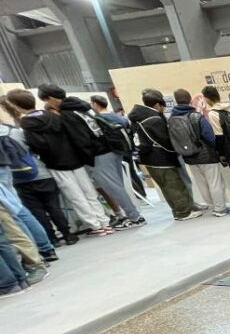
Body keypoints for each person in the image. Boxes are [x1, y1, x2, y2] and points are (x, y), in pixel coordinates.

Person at [21, 84, 110, 237]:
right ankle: (104, 222)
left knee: (76, 197)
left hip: (56, 164)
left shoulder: (28, 124)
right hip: (76, 159)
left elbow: (37, 145)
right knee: (89, 192)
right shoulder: (60, 116)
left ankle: (95, 226)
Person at [61, 91, 145, 230]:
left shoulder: (68, 115)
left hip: (99, 154)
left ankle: (135, 217)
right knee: (117, 186)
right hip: (112, 149)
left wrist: (88, 158)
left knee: (114, 188)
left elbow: (82, 140)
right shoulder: (86, 110)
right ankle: (132, 215)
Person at [2, 91, 76, 245]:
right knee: (53, 205)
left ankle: (52, 239)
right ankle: (67, 234)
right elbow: (34, 147)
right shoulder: (16, 132)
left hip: (18, 178)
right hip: (40, 172)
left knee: (36, 210)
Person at [128, 90, 201, 221]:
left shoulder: (138, 117)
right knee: (174, 186)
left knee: (165, 188)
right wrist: (176, 149)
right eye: (162, 106)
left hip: (149, 159)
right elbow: (165, 141)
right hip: (162, 158)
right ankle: (184, 212)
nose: (164, 109)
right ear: (157, 105)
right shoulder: (154, 120)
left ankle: (177, 211)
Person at [167, 89, 230, 217]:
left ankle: (212, 206)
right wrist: (217, 150)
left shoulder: (172, 119)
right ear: (189, 100)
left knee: (202, 184)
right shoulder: (196, 116)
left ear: (176, 100)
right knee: (214, 182)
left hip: (188, 157)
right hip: (206, 156)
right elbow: (210, 137)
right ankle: (220, 209)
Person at [92, 93, 145, 199]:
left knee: (121, 175)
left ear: (95, 104)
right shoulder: (118, 117)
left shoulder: (99, 119)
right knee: (131, 171)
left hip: (114, 151)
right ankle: (141, 194)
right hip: (127, 148)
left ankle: (131, 196)